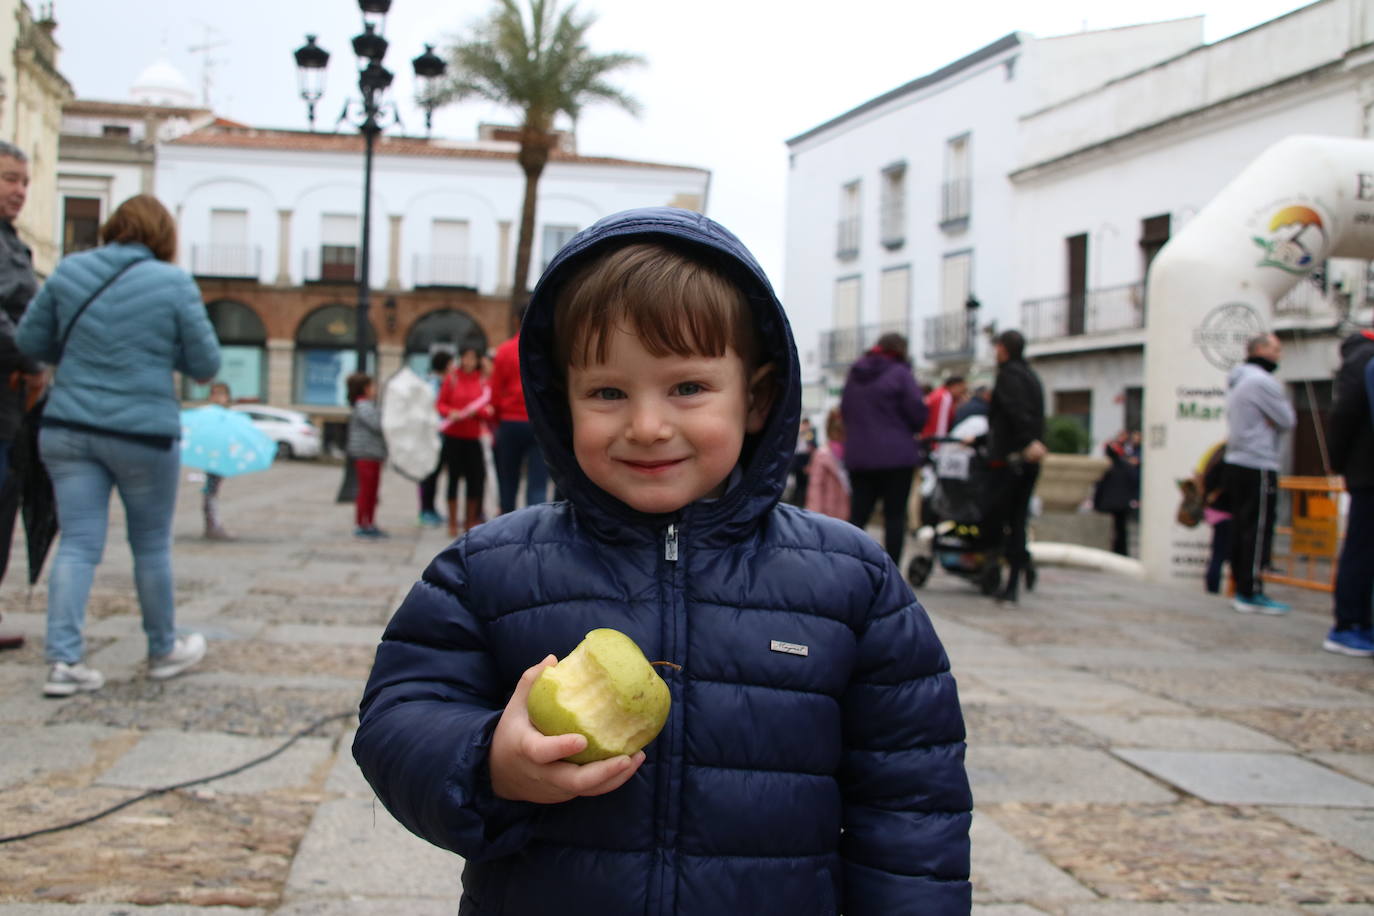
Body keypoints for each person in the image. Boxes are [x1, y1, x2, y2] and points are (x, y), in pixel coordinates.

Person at [352, 207, 972, 915]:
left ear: (758, 399)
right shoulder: (486, 568)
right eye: (608, 393)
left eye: (688, 388)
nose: (647, 426)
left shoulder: (852, 581)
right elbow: (399, 720)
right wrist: (491, 762)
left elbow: (914, 805)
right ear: (562, 402)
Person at [16, 193, 220, 696]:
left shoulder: (69, 271)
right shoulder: (173, 283)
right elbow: (205, 364)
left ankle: (64, 661)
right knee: (150, 545)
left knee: (79, 543)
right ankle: (162, 648)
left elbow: (29, 343)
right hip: (143, 432)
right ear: (162, 235)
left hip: (69, 426)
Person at [840, 332, 928, 565]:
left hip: (860, 456)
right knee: (895, 517)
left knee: (858, 516)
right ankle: (892, 572)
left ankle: (847, 565)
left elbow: (845, 412)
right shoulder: (901, 373)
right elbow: (918, 415)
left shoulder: (855, 373)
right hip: (896, 457)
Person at [1223, 332, 1295, 615]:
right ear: (1260, 349)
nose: (1279, 355)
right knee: (1258, 526)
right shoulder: (1262, 382)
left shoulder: (1240, 379)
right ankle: (1250, 590)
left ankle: (1242, 586)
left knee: (1243, 525)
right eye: (1275, 349)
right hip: (1258, 462)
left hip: (1238, 460)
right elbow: (1288, 419)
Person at [0, 141, 40, 650]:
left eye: (24, 181)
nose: (20, 191)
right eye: (10, 178)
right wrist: (32, 363)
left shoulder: (11, 241)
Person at [1322, 327, 1374, 655]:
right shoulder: (1364, 361)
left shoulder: (1359, 359)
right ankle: (1349, 624)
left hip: (1363, 470)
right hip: (1367, 472)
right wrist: (1338, 463)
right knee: (1362, 548)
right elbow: (1343, 416)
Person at [987, 329, 1046, 604]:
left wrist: (1026, 442)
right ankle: (1021, 569)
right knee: (1018, 519)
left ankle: (1008, 580)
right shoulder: (1030, 375)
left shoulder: (1009, 376)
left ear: (1003, 349)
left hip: (1012, 459)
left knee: (1006, 521)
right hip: (1027, 458)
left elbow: (1014, 411)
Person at [489, 314, 549, 513]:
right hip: (538, 423)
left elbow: (495, 391)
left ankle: (508, 528)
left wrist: (497, 421)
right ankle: (537, 530)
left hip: (510, 423)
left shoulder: (504, 350)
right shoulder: (546, 350)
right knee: (538, 483)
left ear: (516, 321)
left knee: (507, 481)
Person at [436, 345, 490, 536]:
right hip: (453, 436)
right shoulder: (452, 379)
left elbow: (488, 410)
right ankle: (452, 522)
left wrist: (479, 412)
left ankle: (469, 521)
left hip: (472, 437)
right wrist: (450, 412)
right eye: (465, 357)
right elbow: (440, 404)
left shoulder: (482, 382)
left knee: (474, 479)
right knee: (453, 478)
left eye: (472, 358)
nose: (468, 361)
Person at [346, 372, 388, 539]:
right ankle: (362, 524)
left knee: (372, 492)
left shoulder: (368, 405)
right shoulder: (364, 406)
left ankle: (369, 522)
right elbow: (378, 425)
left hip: (373, 455)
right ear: (365, 388)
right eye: (373, 386)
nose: (375, 389)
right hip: (366, 455)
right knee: (366, 491)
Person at [417, 350, 453, 527]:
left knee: (436, 474)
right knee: (428, 475)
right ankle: (424, 511)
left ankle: (431, 508)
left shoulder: (443, 383)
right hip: (430, 436)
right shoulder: (431, 384)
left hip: (441, 436)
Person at [1094, 430, 1140, 556]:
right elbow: (1134, 482)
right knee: (1121, 529)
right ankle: (1122, 552)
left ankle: (1114, 551)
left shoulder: (1106, 468)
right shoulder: (1126, 466)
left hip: (1108, 504)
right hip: (1122, 504)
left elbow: (1099, 487)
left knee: (1112, 530)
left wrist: (1096, 503)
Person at [201, 381, 233, 540]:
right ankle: (211, 524)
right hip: (210, 457)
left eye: (221, 394)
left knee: (213, 490)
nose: (217, 397)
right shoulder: (207, 414)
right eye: (214, 393)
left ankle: (213, 523)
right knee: (210, 491)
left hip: (221, 457)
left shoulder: (228, 416)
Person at [804, 407, 849, 520]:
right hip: (827, 515)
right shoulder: (822, 455)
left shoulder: (851, 454)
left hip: (846, 515)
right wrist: (814, 518)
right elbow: (815, 488)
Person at [923, 374, 968, 444]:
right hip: (933, 441)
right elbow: (940, 425)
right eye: (963, 389)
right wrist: (938, 444)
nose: (962, 393)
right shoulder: (945, 397)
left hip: (930, 438)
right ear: (955, 386)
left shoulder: (940, 393)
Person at [787, 415, 817, 505]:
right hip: (797, 460)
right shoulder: (798, 433)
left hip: (805, 460)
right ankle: (796, 500)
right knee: (797, 482)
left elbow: (813, 447)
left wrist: (809, 464)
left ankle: (802, 501)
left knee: (804, 484)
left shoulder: (810, 435)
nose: (805, 426)